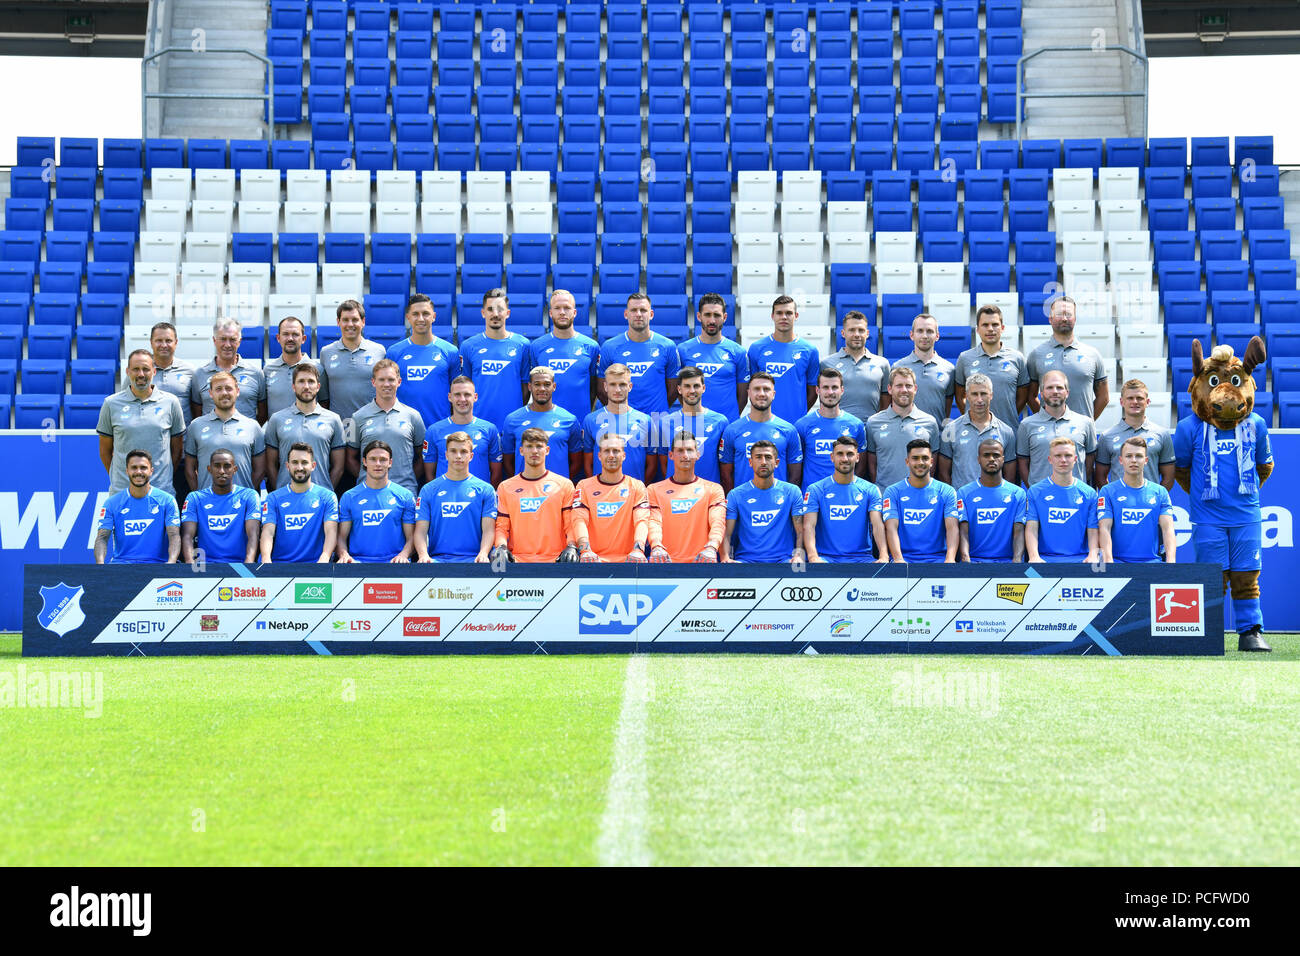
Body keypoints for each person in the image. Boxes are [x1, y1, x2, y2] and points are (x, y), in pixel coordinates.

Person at [98, 349, 185, 498]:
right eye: (136, 369)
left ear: (154, 371)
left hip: (161, 492)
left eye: (145, 369)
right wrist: (123, 479)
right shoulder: (111, 403)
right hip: (122, 492)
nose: (141, 374)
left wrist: (162, 478)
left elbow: (176, 450)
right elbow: (105, 451)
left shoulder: (171, 402)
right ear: (127, 371)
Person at [491, 428, 579, 563]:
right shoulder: (505, 487)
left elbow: (570, 524)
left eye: (539, 446)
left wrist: (572, 545)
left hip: (555, 560)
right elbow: (502, 526)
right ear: (521, 450)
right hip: (518, 561)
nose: (534, 451)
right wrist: (501, 546)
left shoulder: (564, 485)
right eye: (529, 446)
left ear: (547, 450)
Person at [414, 431, 498, 563]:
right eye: (453, 451)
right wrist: (423, 555)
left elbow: (489, 530)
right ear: (446, 455)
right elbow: (420, 531)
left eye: (463, 451)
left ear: (471, 456)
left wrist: (483, 553)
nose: (458, 456)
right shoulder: (428, 490)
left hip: (474, 560)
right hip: (437, 561)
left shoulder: (486, 490)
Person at [802, 436, 887, 563]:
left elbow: (877, 525)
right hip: (826, 559)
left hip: (862, 559)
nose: (845, 459)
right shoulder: (815, 489)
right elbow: (809, 526)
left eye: (850, 454)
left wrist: (883, 556)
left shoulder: (871, 489)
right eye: (840, 454)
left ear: (857, 457)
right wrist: (813, 557)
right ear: (832, 457)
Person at [347, 359, 426, 495]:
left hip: (405, 490)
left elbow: (422, 456)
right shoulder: (356, 417)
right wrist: (370, 479)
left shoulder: (413, 416)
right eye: (381, 380)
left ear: (399, 382)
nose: (386, 384)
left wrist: (408, 479)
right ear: (373, 382)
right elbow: (349, 458)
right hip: (368, 492)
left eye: (391, 379)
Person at [646, 429, 726, 563]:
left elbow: (717, 522)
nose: (685, 455)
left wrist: (712, 547)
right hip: (665, 563)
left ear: (697, 454)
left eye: (689, 450)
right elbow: (654, 522)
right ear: (671, 455)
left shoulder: (713, 489)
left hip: (702, 562)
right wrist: (656, 546)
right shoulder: (654, 490)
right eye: (680, 451)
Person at [263, 363, 345, 491]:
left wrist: (326, 492)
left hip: (320, 498)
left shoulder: (333, 419)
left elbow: (339, 466)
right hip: (285, 496)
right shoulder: (277, 419)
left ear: (318, 387)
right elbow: (270, 465)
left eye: (311, 382)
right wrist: (279, 491)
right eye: (301, 381)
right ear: (293, 387)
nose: (306, 386)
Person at [598, 292, 681, 417]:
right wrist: (620, 412)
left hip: (657, 420)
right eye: (633, 310)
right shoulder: (610, 347)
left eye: (643, 310)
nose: (638, 314)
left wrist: (657, 410)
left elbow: (674, 389)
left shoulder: (667, 346)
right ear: (626, 314)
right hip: (621, 420)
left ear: (651, 314)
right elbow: (601, 389)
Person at [1026, 295, 1109, 419]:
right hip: (1048, 435)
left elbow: (1104, 397)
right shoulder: (1036, 355)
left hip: (1081, 435)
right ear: (1050, 318)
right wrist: (1045, 420)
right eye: (1059, 314)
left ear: (1075, 319)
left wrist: (1086, 423)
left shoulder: (1092, 354)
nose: (1064, 318)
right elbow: (1030, 396)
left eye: (1068, 314)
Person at [722, 441, 806, 563]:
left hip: (783, 561)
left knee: (798, 569)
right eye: (758, 457)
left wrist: (798, 556)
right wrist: (725, 558)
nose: (763, 462)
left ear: (776, 463)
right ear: (750, 462)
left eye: (768, 457)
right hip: (745, 562)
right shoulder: (736, 495)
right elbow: (727, 534)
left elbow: (800, 531)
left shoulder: (792, 492)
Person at [459, 288, 531, 431]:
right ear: (483, 313)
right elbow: (465, 386)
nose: (495, 314)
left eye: (500, 309)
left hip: (512, 425)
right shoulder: (468, 346)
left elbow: (525, 387)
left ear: (507, 313)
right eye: (490, 309)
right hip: (477, 425)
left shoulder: (523, 345)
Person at [386, 292, 462, 429]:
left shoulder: (450, 351)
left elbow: (456, 393)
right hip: (403, 428)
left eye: (425, 313)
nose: (421, 318)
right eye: (415, 314)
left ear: (434, 316)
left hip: (440, 427)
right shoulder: (394, 352)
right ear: (408, 317)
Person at [572, 433, 651, 563]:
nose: (611, 456)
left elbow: (641, 521)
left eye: (616, 451)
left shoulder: (637, 486)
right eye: (606, 451)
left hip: (629, 561)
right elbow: (579, 520)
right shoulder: (584, 486)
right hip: (593, 561)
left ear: (624, 455)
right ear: (599, 456)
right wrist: (585, 551)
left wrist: (638, 550)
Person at [1098, 437, 1177, 564]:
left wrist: (1171, 563)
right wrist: (1108, 562)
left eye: (1139, 456)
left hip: (1151, 563)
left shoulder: (1160, 492)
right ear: (1121, 460)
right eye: (1128, 456)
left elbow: (1168, 529)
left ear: (1146, 460)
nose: (1134, 460)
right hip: (1118, 563)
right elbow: (1104, 528)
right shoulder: (1107, 491)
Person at [93, 449, 181, 564]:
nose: (138, 472)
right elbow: (102, 537)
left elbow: (174, 534)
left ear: (151, 471)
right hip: (121, 566)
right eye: (134, 467)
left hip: (157, 566)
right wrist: (100, 566)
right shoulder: (112, 503)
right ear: (127, 471)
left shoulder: (167, 500)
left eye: (143, 468)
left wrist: (171, 563)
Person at [336, 440, 417, 563]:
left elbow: (412, 537)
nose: (378, 464)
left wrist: (404, 555)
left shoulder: (405, 496)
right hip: (358, 563)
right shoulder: (349, 497)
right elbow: (341, 537)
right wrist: (344, 555)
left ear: (390, 462)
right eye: (373, 459)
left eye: (383, 459)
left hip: (395, 564)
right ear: (364, 461)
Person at [184, 371, 265, 493]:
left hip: (241, 505)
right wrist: (200, 496)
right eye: (218, 389)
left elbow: (260, 469)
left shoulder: (252, 426)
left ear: (237, 391)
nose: (224, 393)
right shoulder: (196, 426)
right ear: (210, 393)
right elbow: (189, 469)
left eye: (228, 388)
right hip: (207, 504)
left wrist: (245, 495)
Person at [259, 442, 339, 563]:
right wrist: (266, 559)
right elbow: (268, 532)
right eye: (295, 462)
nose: (300, 467)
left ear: (313, 466)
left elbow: (331, 531)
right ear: (287, 466)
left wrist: (325, 557)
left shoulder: (327, 497)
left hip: (315, 566)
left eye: (304, 462)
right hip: (280, 565)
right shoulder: (273, 498)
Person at [719, 373, 802, 489]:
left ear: (773, 394)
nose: (761, 394)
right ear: (748, 393)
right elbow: (726, 474)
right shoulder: (732, 430)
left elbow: (795, 475)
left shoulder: (789, 430)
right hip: (742, 503)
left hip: (778, 502)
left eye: (766, 389)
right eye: (756, 389)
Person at [746, 295, 820, 425]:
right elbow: (753, 389)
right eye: (779, 313)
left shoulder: (809, 350)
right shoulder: (756, 348)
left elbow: (813, 391)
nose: (784, 317)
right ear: (772, 316)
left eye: (789, 313)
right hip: (763, 423)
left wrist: (799, 413)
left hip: (796, 424)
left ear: (796, 316)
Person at [937, 372, 1018, 490]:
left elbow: (1010, 475)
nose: (979, 399)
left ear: (991, 395)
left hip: (994, 501)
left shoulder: (1006, 431)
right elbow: (943, 472)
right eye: (975, 394)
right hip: (962, 502)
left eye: (983, 394)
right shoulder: (951, 428)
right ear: (967, 396)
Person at [865, 366, 942, 489]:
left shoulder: (930, 422)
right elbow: (872, 463)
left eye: (908, 386)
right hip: (885, 496)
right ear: (889, 389)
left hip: (918, 495)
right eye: (899, 385)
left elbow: (932, 463)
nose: (904, 390)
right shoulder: (873, 422)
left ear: (915, 389)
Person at [1024, 438, 1101, 563]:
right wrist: (1034, 557)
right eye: (1058, 456)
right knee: (1028, 574)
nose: (1063, 460)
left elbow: (1092, 528)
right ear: (1050, 459)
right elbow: (1032, 527)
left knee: (1099, 573)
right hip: (1044, 560)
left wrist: (1092, 555)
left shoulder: (1090, 493)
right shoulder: (1035, 491)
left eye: (1068, 456)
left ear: (1075, 459)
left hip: (1081, 560)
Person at [1017, 369, 1097, 487]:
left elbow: (1090, 460)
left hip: (1075, 496)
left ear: (1067, 392)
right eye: (1049, 388)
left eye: (1059, 388)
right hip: (1041, 498)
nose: (1055, 392)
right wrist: (1035, 490)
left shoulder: (1085, 423)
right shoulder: (1026, 425)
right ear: (1042, 393)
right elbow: (1022, 462)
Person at [500, 366, 584, 479]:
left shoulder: (569, 420)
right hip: (523, 492)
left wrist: (561, 484)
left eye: (547, 384)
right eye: (537, 384)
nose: (542, 389)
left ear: (554, 386)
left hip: (558, 491)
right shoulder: (512, 420)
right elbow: (507, 462)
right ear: (529, 386)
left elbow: (577, 462)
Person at [882, 440, 959, 563]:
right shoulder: (893, 492)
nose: (920, 462)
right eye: (915, 458)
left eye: (925, 458)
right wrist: (898, 559)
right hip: (904, 559)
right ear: (907, 462)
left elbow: (952, 528)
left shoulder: (947, 491)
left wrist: (950, 559)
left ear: (931, 462)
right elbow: (891, 528)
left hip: (938, 559)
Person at [179, 448, 261, 564]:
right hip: (204, 566)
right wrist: (191, 567)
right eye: (217, 466)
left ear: (235, 469)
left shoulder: (249, 496)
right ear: (209, 469)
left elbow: (253, 534)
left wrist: (248, 565)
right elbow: (187, 536)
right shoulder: (195, 498)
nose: (222, 471)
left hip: (240, 565)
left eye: (227, 466)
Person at [526, 289, 599, 417]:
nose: (562, 312)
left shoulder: (591, 346)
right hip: (545, 422)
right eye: (557, 308)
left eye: (567, 308)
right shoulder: (536, 347)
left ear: (575, 312)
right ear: (550, 313)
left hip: (580, 421)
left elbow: (593, 388)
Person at [954, 303, 1029, 428]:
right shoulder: (965, 358)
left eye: (995, 324)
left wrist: (1008, 416)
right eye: (985, 325)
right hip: (974, 430)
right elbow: (959, 395)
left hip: (1008, 430)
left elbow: (1023, 396)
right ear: (977, 329)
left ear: (1002, 328)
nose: (990, 329)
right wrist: (975, 417)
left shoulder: (1017, 358)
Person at [676, 292, 749, 420]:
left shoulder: (738, 352)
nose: (712, 320)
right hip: (695, 422)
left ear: (725, 317)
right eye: (707, 315)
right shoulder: (683, 350)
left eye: (717, 315)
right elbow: (679, 389)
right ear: (699, 316)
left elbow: (743, 396)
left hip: (728, 424)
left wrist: (729, 418)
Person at [1094, 379, 1176, 489]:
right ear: (1122, 402)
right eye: (1130, 398)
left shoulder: (1162, 434)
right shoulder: (1107, 436)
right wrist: (1113, 498)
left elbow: (1169, 476)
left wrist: (1156, 498)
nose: (1135, 402)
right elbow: (1100, 476)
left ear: (1147, 402)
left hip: (1150, 503)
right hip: (1118, 503)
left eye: (1140, 398)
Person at [795, 366, 867, 489]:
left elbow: (860, 464)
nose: (830, 392)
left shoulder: (856, 425)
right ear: (817, 390)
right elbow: (797, 466)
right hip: (813, 498)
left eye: (834, 387)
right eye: (825, 387)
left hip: (844, 495)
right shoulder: (802, 425)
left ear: (842, 390)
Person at [653, 366, 729, 484]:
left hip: (708, 493)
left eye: (696, 386)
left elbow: (724, 464)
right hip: (675, 492)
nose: (692, 390)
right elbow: (664, 462)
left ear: (703, 388)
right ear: (679, 389)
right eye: (687, 386)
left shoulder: (720, 421)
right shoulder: (665, 422)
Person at [422, 375, 504, 485]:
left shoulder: (490, 430)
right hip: (445, 498)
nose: (462, 399)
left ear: (475, 397)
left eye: (467, 394)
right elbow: (429, 474)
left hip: (479, 497)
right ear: (450, 397)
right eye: (457, 395)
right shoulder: (434, 431)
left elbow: (497, 472)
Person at [956, 438, 1027, 563]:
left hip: (1008, 562)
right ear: (978, 459)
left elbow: (1019, 531)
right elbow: (963, 531)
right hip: (975, 562)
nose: (991, 459)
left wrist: (1016, 562)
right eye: (986, 455)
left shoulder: (1018, 493)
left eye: (996, 455)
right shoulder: (964, 493)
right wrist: (966, 560)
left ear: (1003, 459)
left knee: (1035, 576)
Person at [582, 363, 655, 483]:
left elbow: (652, 464)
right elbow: (587, 463)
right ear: (605, 386)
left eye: (622, 384)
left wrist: (639, 487)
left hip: (634, 494)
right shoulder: (591, 420)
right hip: (601, 493)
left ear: (630, 386)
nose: (617, 390)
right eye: (612, 385)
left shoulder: (646, 420)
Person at [319, 298, 387, 426]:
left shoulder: (378, 351)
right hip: (339, 424)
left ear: (363, 322)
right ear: (338, 322)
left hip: (371, 422)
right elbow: (324, 395)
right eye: (345, 320)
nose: (350, 324)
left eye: (355, 319)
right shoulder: (326, 352)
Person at [189, 316, 266, 423]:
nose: (228, 345)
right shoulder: (200, 374)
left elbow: (263, 413)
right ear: (214, 340)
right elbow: (196, 413)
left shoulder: (256, 373)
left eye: (233, 339)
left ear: (239, 341)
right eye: (223, 339)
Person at [823, 310, 891, 422]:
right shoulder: (826, 363)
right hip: (838, 429)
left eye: (861, 330)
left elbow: (886, 400)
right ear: (843, 333)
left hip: (869, 430)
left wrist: (876, 424)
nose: (857, 334)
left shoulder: (882, 364)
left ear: (867, 333)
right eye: (852, 330)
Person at [892, 313, 955, 424]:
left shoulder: (949, 369)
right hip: (906, 434)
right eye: (920, 331)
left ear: (937, 336)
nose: (925, 336)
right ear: (912, 335)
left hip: (936, 435)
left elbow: (947, 405)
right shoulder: (898, 367)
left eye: (930, 331)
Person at [263, 316, 327, 417]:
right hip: (277, 431)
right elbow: (263, 407)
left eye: (295, 334)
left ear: (303, 339)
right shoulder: (268, 370)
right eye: (285, 334)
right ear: (278, 338)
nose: (290, 339)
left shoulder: (317, 369)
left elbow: (324, 403)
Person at [149, 321, 195, 425]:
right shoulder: (140, 371)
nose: (164, 345)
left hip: (182, 439)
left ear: (176, 342)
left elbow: (197, 406)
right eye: (159, 340)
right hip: (151, 438)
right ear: (151, 342)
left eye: (168, 340)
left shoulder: (189, 371)